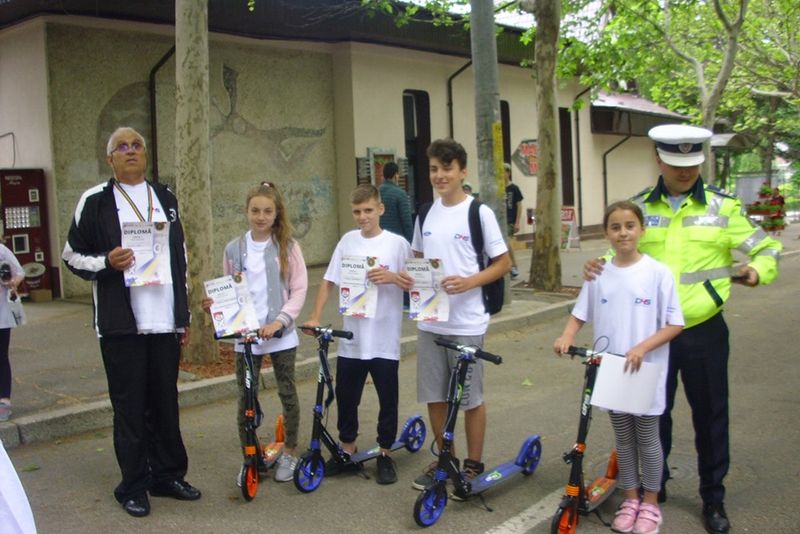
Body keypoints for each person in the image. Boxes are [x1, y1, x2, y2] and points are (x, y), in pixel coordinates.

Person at [584, 124, 781, 533]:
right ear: (658, 160)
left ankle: (713, 498)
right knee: (651, 416)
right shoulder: (639, 207)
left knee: (710, 416)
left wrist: (758, 270)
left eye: (692, 163)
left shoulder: (723, 207)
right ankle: (654, 491)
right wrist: (596, 266)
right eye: (676, 163)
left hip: (702, 330)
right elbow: (617, 253)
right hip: (649, 334)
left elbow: (767, 246)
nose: (685, 171)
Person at [62, 127, 201, 517]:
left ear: (145, 154)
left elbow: (181, 257)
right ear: (110, 159)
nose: (130, 151)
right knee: (130, 408)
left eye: (136, 145)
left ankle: (168, 475)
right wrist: (107, 261)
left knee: (166, 403)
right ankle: (134, 486)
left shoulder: (165, 197)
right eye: (121, 147)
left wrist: (183, 316)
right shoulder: (94, 200)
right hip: (121, 323)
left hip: (164, 321)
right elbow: (71, 256)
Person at [555, 200, 684, 534]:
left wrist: (642, 347)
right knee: (623, 440)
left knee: (648, 439)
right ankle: (630, 499)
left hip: (645, 370)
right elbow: (580, 313)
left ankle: (651, 503)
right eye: (615, 227)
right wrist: (567, 335)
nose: (623, 233)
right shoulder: (599, 273)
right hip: (611, 369)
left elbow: (675, 324)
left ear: (642, 230)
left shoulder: (658, 273)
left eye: (629, 226)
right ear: (606, 233)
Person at [410, 139, 511, 493]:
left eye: (447, 168)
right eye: (434, 169)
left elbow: (503, 263)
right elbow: (418, 259)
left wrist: (469, 282)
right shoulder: (425, 212)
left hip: (467, 321)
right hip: (431, 320)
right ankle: (446, 459)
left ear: (462, 172)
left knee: (470, 399)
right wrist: (409, 280)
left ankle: (472, 465)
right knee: (435, 395)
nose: (440, 175)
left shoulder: (478, 213)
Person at [303, 184, 413, 484]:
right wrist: (315, 316)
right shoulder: (347, 241)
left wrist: (392, 277)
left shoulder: (398, 244)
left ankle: (385, 452)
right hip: (352, 339)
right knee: (346, 396)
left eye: (368, 210)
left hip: (384, 339)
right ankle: (347, 448)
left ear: (380, 209)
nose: (362, 216)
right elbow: (329, 281)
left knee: (387, 398)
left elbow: (416, 282)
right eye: (357, 211)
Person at [202, 181, 307, 484]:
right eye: (255, 211)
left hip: (280, 335)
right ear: (247, 211)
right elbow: (228, 289)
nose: (261, 217)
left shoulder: (288, 247)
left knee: (287, 392)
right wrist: (215, 306)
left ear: (276, 213)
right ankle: (250, 456)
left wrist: (280, 322)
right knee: (245, 397)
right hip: (246, 337)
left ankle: (290, 451)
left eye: (267, 211)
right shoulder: (233, 249)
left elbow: (299, 290)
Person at [0, 244, 24, 422]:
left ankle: (4, 401)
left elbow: (19, 272)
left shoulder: (1, 251)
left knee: (1, 356)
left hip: (1, 316)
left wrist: (12, 282)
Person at [378, 162, 413, 243]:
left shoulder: (376, 192)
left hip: (379, 238)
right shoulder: (400, 194)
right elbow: (407, 222)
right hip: (396, 239)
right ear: (396, 175)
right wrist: (410, 242)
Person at [504, 163, 523, 278]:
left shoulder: (514, 188)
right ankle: (507, 267)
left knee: (505, 242)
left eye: (504, 172)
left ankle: (514, 265)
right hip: (499, 219)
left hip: (510, 220)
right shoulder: (499, 188)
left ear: (508, 173)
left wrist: (517, 222)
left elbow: (519, 205)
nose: (502, 174)